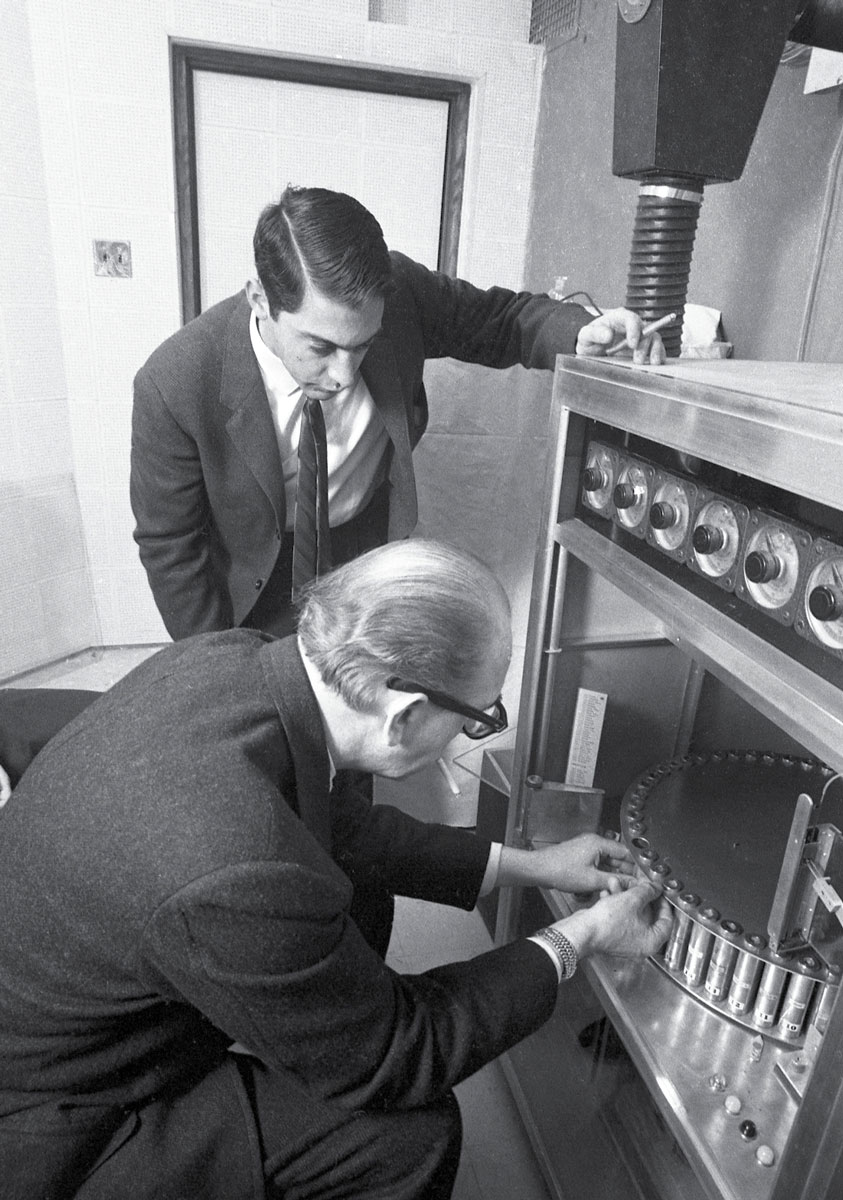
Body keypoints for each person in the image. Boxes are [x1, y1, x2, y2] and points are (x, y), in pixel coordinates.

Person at [0, 539, 672, 1200]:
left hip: (73, 1001)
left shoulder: (232, 660)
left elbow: (341, 828)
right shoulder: (237, 871)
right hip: (61, 1122)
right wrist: (576, 939)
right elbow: (400, 1054)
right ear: (406, 715)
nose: (475, 733)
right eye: (478, 720)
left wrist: (536, 866)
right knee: (408, 1138)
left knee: (361, 904)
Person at [130, 184, 666, 642]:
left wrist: (577, 332)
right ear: (260, 299)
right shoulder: (173, 383)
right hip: (250, 581)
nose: (343, 376)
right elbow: (171, 547)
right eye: (320, 347)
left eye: (362, 345)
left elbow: (500, 319)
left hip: (363, 553)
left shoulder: (403, 295)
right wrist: (211, 663)